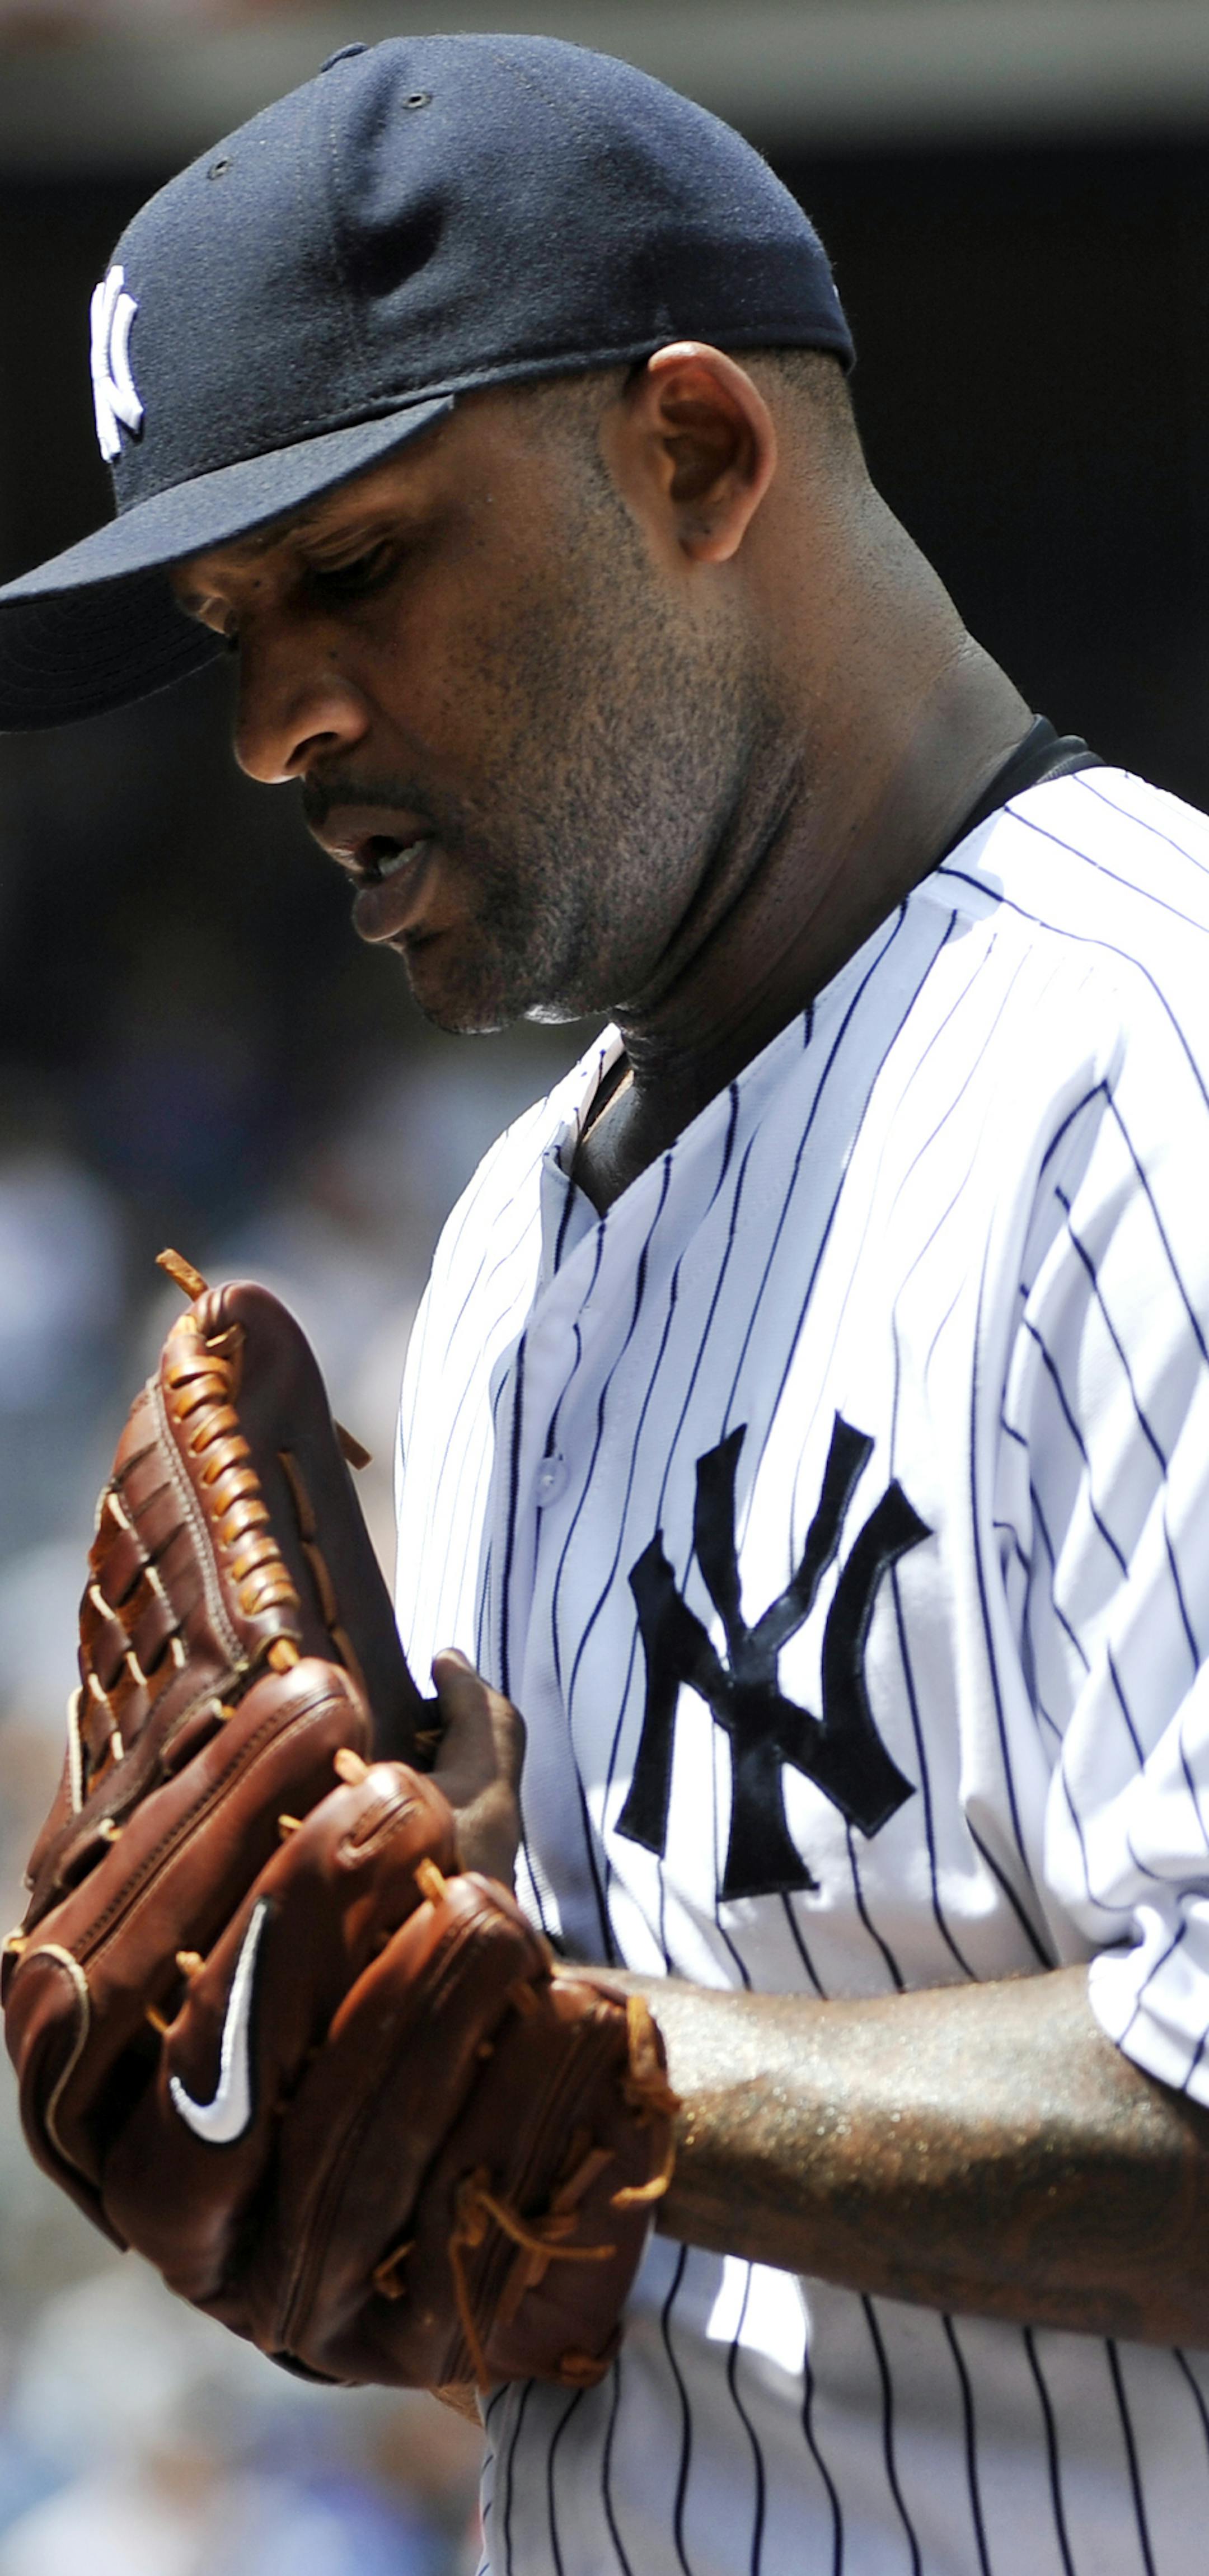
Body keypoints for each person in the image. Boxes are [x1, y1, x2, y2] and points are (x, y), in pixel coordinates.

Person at [3, 31, 1209, 2575]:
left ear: (692, 455)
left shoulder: (1151, 1057)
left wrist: (600, 2071)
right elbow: (624, 2258)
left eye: (352, 569)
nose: (274, 727)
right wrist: (371, 2160)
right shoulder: (511, 1255)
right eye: (228, 628)